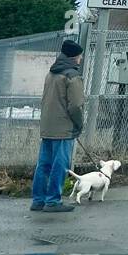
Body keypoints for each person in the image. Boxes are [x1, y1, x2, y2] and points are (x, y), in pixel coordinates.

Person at [32, 39, 85, 212]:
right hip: (64, 128)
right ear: (74, 56)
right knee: (60, 165)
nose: (81, 58)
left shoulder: (51, 74)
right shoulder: (72, 76)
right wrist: (78, 124)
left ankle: (38, 200)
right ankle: (53, 201)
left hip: (47, 126)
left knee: (44, 164)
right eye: (79, 55)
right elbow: (76, 105)